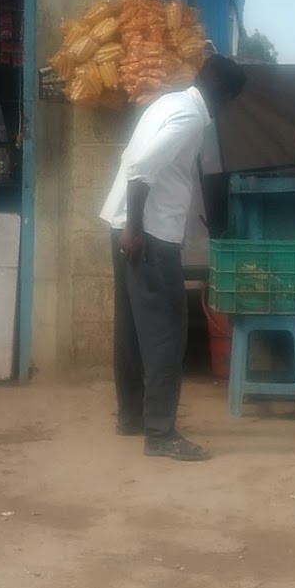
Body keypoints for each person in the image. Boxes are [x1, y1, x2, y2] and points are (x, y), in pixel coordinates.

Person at [100, 55, 248, 461]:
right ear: (225, 96)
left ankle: (132, 416)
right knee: (166, 330)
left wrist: (129, 226)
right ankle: (161, 434)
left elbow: (139, 162)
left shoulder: (169, 102)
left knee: (132, 330)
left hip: (128, 225)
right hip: (147, 232)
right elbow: (142, 168)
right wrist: (136, 228)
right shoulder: (190, 116)